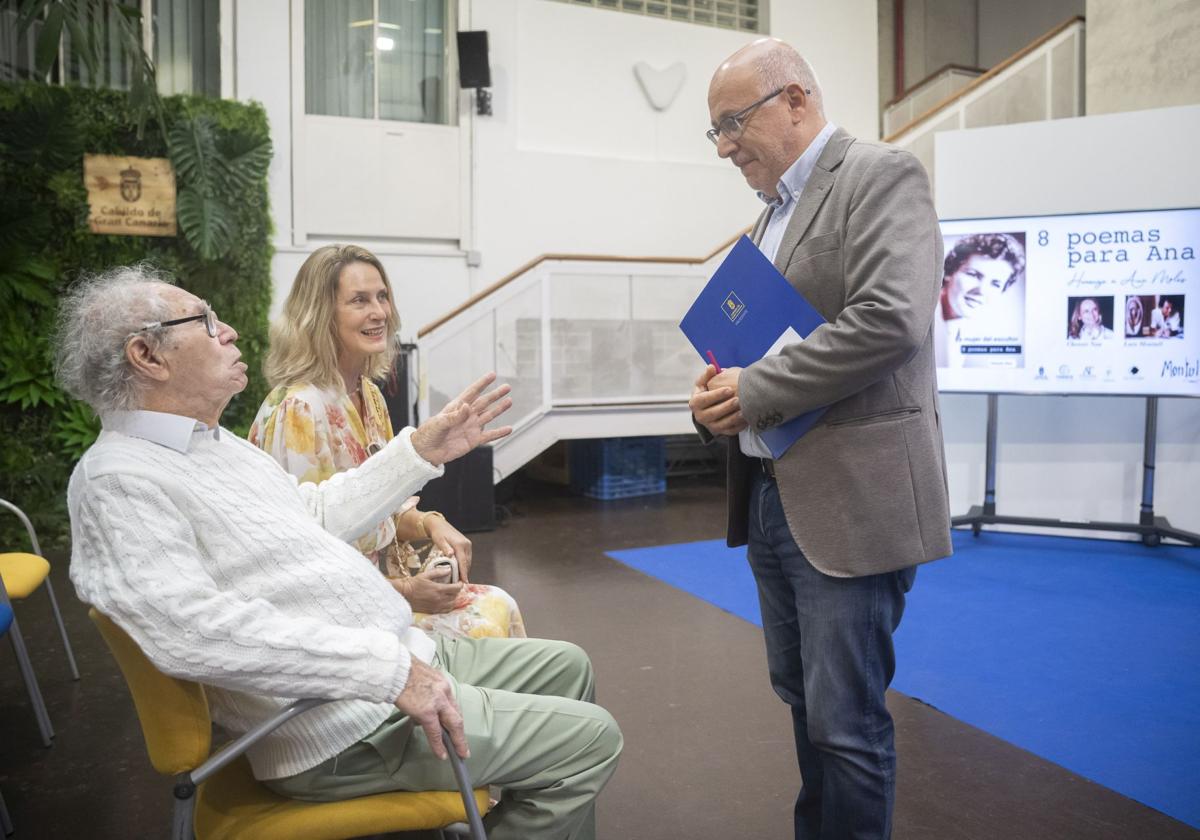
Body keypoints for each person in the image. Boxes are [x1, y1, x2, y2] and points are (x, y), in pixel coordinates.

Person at [59, 266, 620, 840]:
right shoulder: (118, 480)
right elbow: (188, 630)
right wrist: (387, 670)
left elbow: (316, 515)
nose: (227, 330)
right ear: (147, 356)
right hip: (339, 724)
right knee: (592, 740)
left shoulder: (213, 445)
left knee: (567, 666)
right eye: (204, 321)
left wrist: (419, 451)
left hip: (388, 660)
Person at [689, 39, 952, 840]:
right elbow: (753, 349)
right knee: (806, 708)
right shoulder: (771, 214)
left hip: (850, 503)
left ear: (796, 100)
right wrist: (715, 401)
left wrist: (756, 390)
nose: (726, 146)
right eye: (716, 133)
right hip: (774, 497)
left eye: (734, 123)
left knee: (845, 723)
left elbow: (891, 321)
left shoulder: (881, 175)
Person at [250, 244, 525, 639]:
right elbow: (299, 561)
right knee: (488, 620)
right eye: (359, 301)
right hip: (334, 623)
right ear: (320, 315)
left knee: (499, 604)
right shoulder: (300, 410)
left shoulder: (369, 395)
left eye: (382, 297)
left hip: (375, 592)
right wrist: (406, 594)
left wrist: (432, 522)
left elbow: (376, 509)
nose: (380, 312)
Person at [935, 233, 1025, 367]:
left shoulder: (985, 334)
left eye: (995, 284)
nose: (982, 291)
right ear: (949, 272)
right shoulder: (917, 319)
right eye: (973, 275)